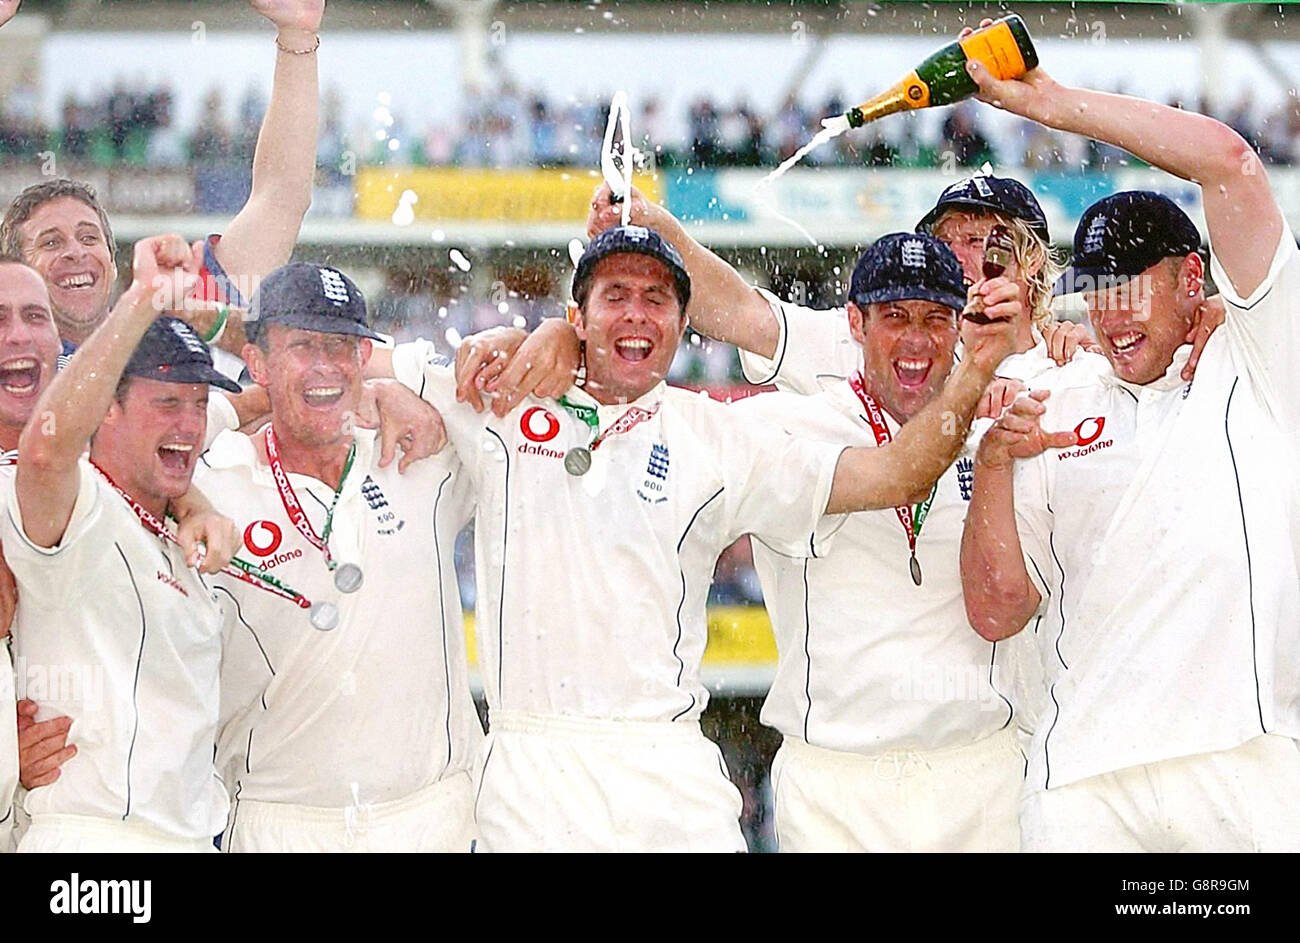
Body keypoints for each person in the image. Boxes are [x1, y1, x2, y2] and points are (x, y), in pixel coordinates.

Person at [387, 224, 1019, 851]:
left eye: (657, 300)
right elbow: (341, 368)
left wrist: (979, 368)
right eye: (616, 297)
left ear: (683, 321)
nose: (637, 316)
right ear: (576, 315)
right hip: (532, 766)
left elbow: (893, 475)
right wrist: (396, 397)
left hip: (669, 766)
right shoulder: (498, 396)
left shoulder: (718, 436)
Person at [958, 54, 1300, 852]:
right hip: (1082, 781)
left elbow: (1230, 163)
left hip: (1241, 762)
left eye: (1130, 285)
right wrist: (997, 467)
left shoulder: (1261, 363)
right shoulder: (1052, 398)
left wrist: (1051, 106)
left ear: (1192, 279)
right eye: (1097, 289)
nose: (1109, 315)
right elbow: (997, 610)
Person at [720, 232, 1029, 852]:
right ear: (856, 323)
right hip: (837, 782)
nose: (916, 339)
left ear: (963, 327)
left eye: (935, 318)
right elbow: (646, 404)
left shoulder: (1006, 423)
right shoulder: (787, 424)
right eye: (895, 317)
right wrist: (560, 338)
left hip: (982, 772)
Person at [196, 263, 480, 853]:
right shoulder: (210, 486)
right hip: (281, 824)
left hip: (433, 818)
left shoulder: (424, 455)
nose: (326, 366)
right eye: (302, 346)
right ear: (259, 363)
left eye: (342, 347)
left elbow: (506, 390)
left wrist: (404, 385)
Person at [3, 234, 240, 852]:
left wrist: (386, 390)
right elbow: (48, 449)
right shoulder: (75, 507)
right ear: (106, 410)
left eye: (198, 402)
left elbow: (282, 392)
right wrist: (141, 300)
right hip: (96, 849)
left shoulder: (177, 527)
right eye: (166, 402)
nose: (189, 423)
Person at [0, 0, 323, 363]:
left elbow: (280, 198)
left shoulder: (180, 323)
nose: (76, 252)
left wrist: (297, 34)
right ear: (15, 271)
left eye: (90, 237)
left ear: (112, 260)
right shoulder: (11, 365)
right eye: (50, 242)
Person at [0, 254, 62, 852]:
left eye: (34, 316)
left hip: (88, 815)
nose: (17, 335)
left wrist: (385, 390)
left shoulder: (120, 453)